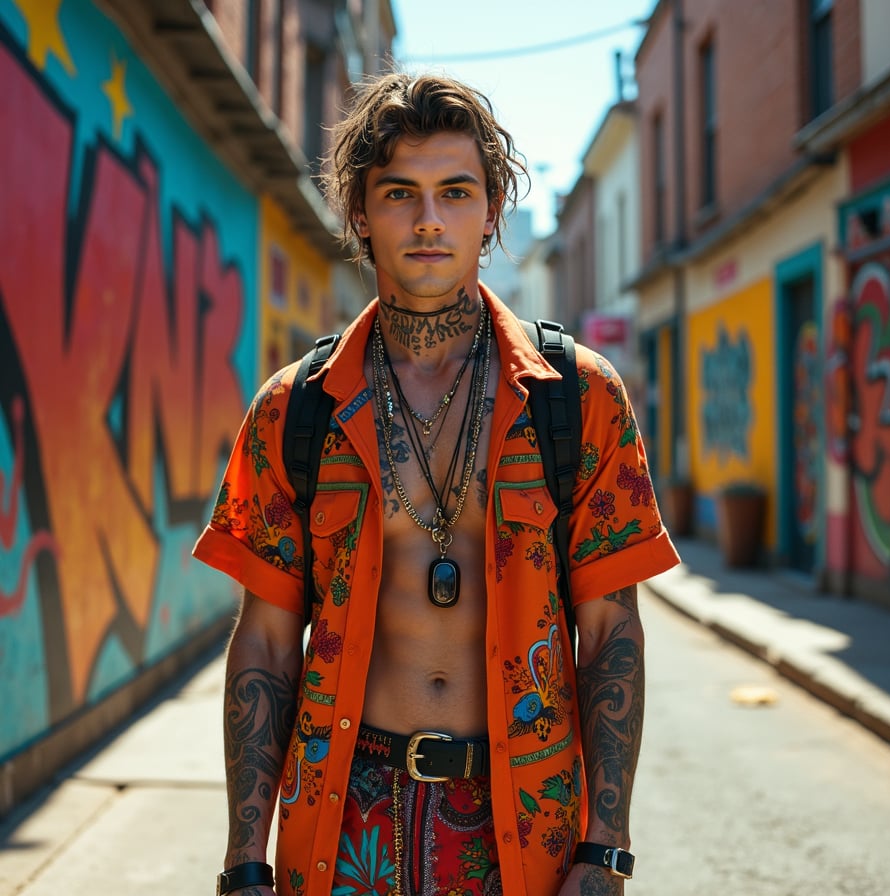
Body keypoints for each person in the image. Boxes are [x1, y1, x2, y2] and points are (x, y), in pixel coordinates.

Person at [194, 71, 679, 896]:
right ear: (359, 213)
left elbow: (608, 635)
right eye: (398, 194)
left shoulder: (580, 396)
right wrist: (245, 860)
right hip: (347, 816)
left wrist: (606, 850)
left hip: (524, 819)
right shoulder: (294, 408)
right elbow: (268, 647)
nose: (427, 220)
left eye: (455, 192)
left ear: (491, 213)